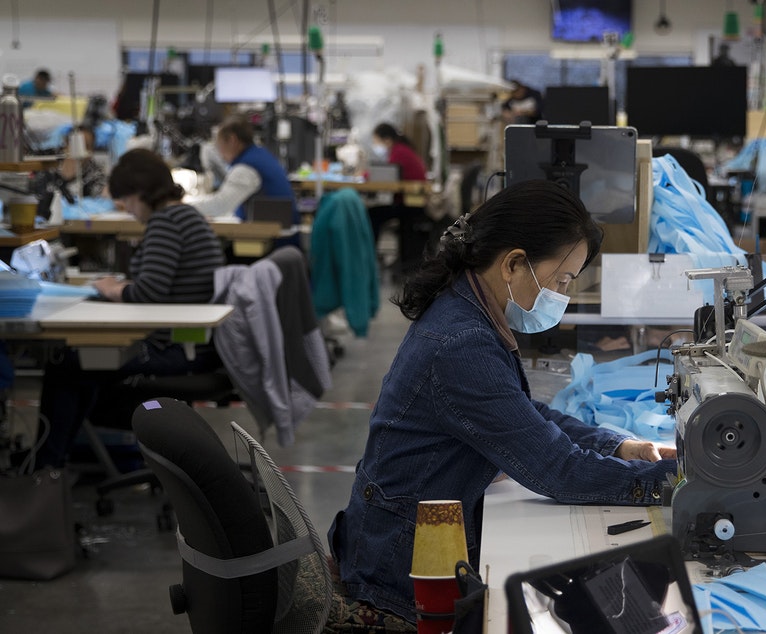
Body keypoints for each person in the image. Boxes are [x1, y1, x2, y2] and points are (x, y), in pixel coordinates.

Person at [327, 180, 678, 626]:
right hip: (396, 579)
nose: (565, 296)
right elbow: (557, 471)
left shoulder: (466, 307)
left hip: (400, 543)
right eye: (562, 280)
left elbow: (520, 413)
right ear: (514, 264)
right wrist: (678, 481)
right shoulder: (462, 343)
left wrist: (617, 447)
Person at [34, 149, 226, 469]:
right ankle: (60, 460)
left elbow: (148, 292)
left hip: (173, 346)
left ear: (141, 194)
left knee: (67, 363)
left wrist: (111, 288)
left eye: (128, 201)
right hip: (191, 342)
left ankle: (45, 467)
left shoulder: (165, 222)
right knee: (81, 365)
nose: (130, 212)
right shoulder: (187, 216)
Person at [186, 116, 300, 246]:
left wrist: (180, 209)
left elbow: (220, 206)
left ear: (232, 140)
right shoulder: (260, 155)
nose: (219, 152)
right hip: (281, 239)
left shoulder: (246, 168)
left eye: (219, 145)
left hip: (275, 244)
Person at [366, 122, 429, 269]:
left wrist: (364, 175)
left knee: (372, 214)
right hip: (410, 202)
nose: (376, 145)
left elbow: (386, 176)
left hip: (411, 205)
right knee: (375, 212)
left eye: (376, 141)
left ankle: (368, 257)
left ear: (387, 139)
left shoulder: (399, 152)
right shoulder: (402, 149)